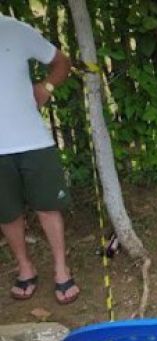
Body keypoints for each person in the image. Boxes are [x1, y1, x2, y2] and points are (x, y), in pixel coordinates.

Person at [0, 14, 79, 304]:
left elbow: (62, 62)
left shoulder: (16, 30)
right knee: (7, 213)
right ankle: (25, 267)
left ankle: (61, 268)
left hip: (33, 140)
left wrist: (46, 88)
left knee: (48, 207)